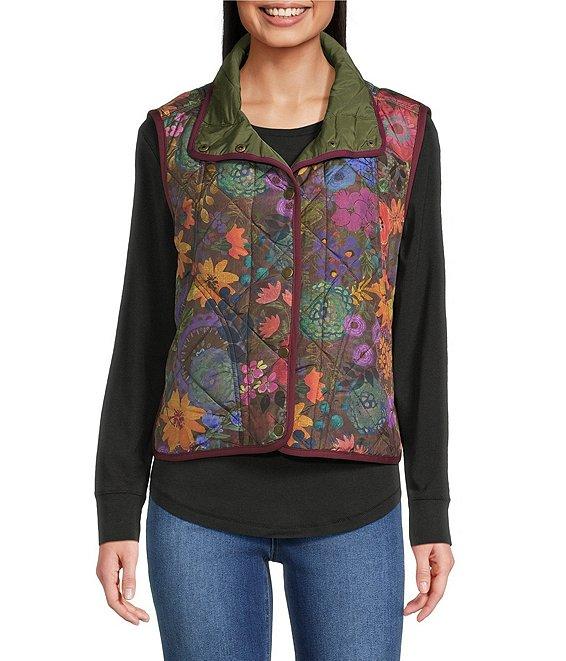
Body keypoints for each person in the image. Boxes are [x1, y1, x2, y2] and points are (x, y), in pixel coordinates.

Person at [95, 2, 454, 659]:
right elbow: (143, 320)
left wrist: (431, 507)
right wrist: (117, 503)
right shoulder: (175, 134)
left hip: (354, 506)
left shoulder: (401, 134)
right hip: (198, 508)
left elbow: (419, 324)